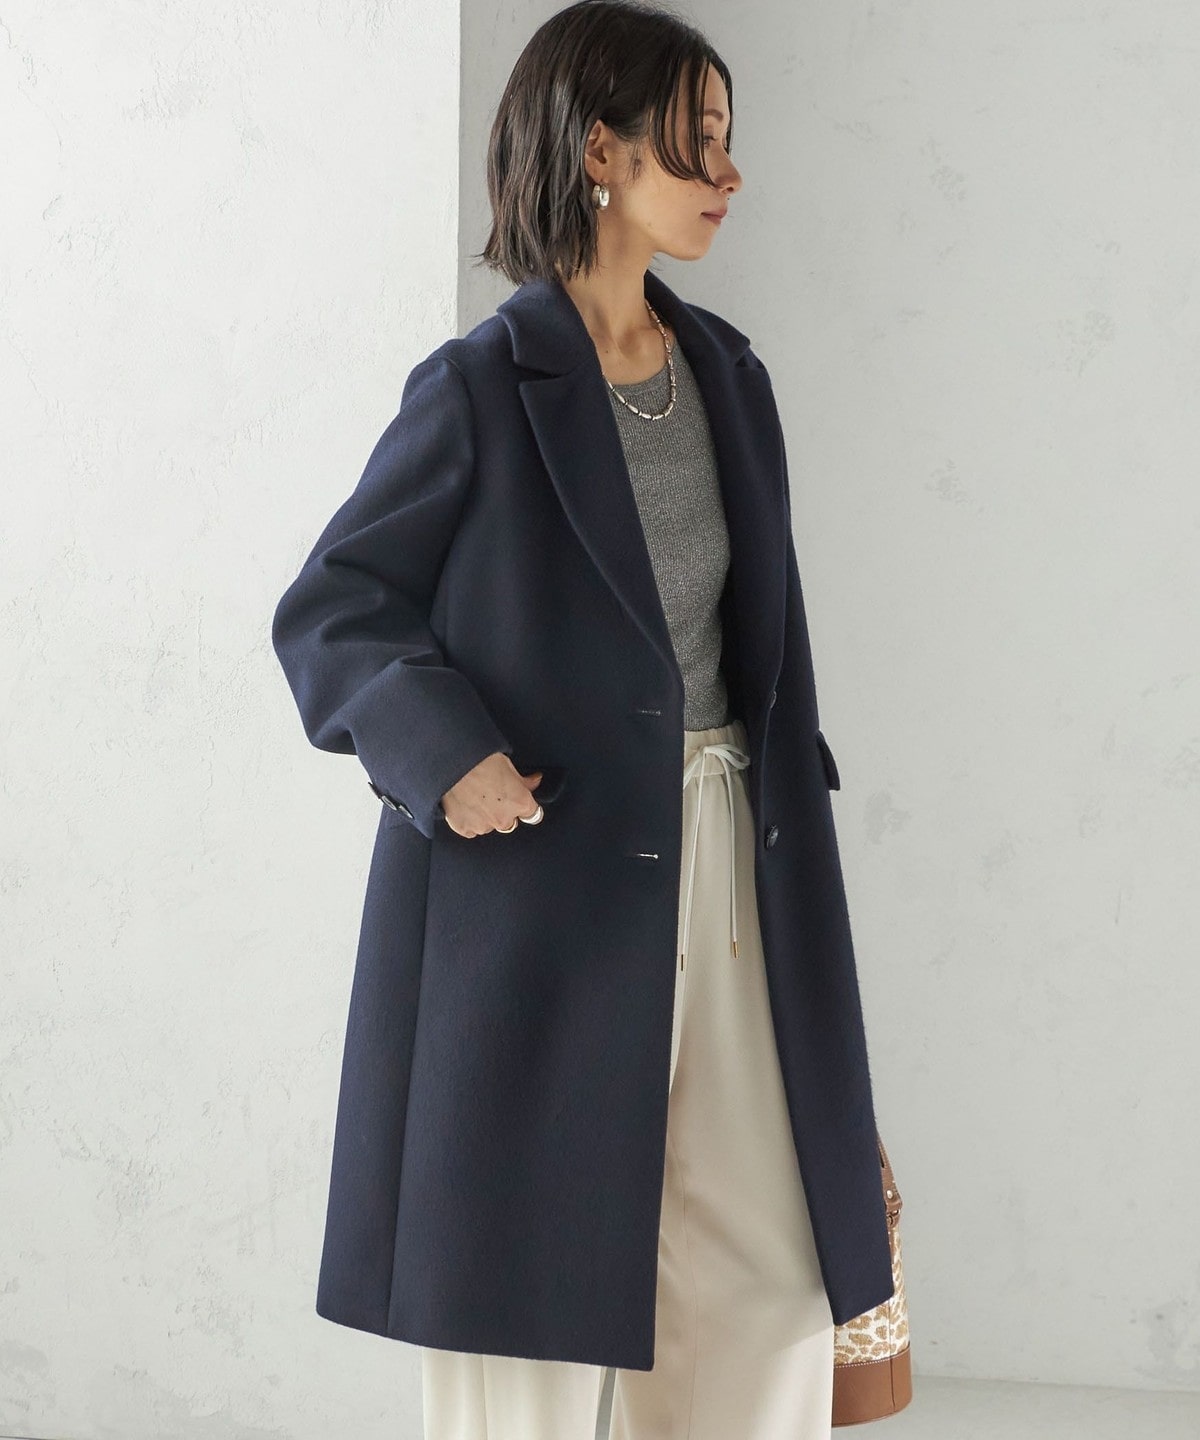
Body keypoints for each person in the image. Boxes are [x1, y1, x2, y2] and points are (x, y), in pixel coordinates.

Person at [272, 2, 894, 1436]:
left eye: (730, 142)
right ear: (600, 151)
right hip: (544, 876)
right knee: (526, 1290)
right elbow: (335, 606)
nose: (729, 175)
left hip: (736, 856)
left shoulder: (729, 376)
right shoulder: (481, 388)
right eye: (698, 143)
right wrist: (446, 756)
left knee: (768, 1272)